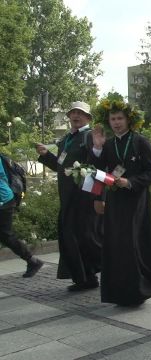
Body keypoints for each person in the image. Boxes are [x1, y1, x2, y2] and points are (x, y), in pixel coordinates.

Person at [90, 100, 151, 306]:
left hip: (135, 201)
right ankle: (119, 292)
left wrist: (131, 182)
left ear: (128, 120)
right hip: (115, 201)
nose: (116, 123)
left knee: (133, 242)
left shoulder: (139, 141)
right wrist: (97, 149)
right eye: (112, 119)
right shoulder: (108, 143)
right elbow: (99, 171)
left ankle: (139, 289)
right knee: (116, 245)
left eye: (120, 118)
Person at [36, 101, 102, 291]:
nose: (75, 116)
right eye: (73, 112)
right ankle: (83, 278)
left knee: (86, 237)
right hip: (68, 197)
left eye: (80, 113)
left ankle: (100, 271)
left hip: (84, 196)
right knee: (71, 237)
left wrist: (97, 195)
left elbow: (98, 163)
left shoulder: (89, 136)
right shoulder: (67, 138)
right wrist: (46, 155)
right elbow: (60, 166)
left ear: (88, 118)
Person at [0, 154, 43, 278]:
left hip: (4, 201)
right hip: (5, 201)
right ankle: (32, 261)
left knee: (6, 236)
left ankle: (32, 261)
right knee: (5, 236)